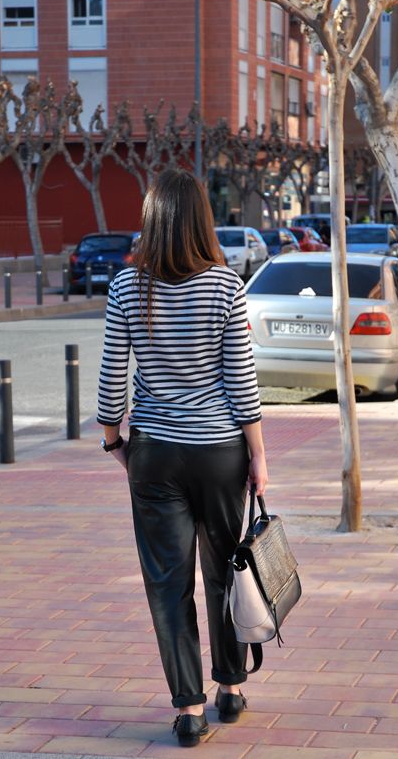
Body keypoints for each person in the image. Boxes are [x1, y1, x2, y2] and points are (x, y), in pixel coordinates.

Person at [97, 169, 268, 748]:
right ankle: (231, 688)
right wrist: (258, 456)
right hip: (220, 451)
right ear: (201, 219)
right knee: (226, 570)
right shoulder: (226, 285)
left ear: (152, 221)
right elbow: (241, 381)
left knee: (168, 583)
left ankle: (189, 709)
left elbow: (110, 381)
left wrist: (114, 443)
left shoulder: (127, 286)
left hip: (154, 454)